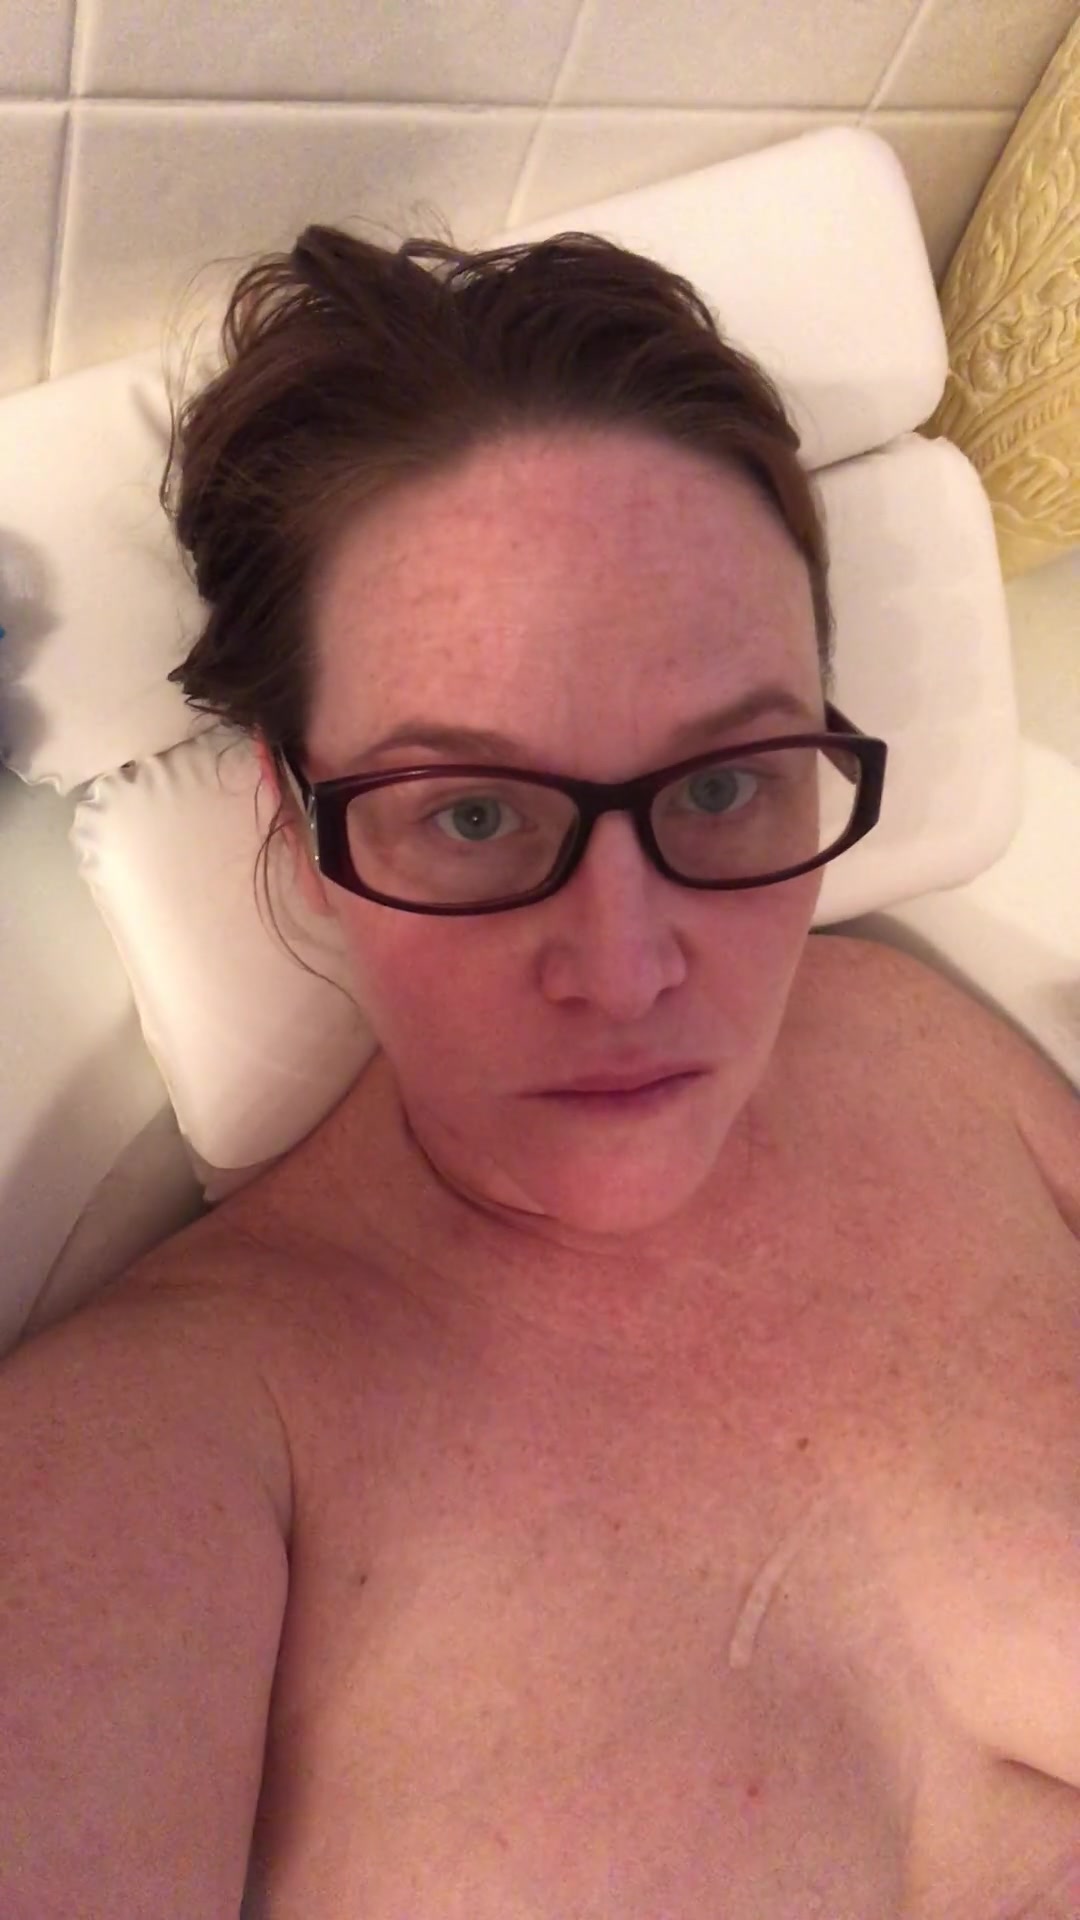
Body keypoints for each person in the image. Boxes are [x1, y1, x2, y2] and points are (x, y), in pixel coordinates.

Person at [1, 226, 1077, 1920]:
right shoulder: (159, 1461)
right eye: (476, 815)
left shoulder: (919, 1047)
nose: (629, 967)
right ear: (297, 825)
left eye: (723, 785)